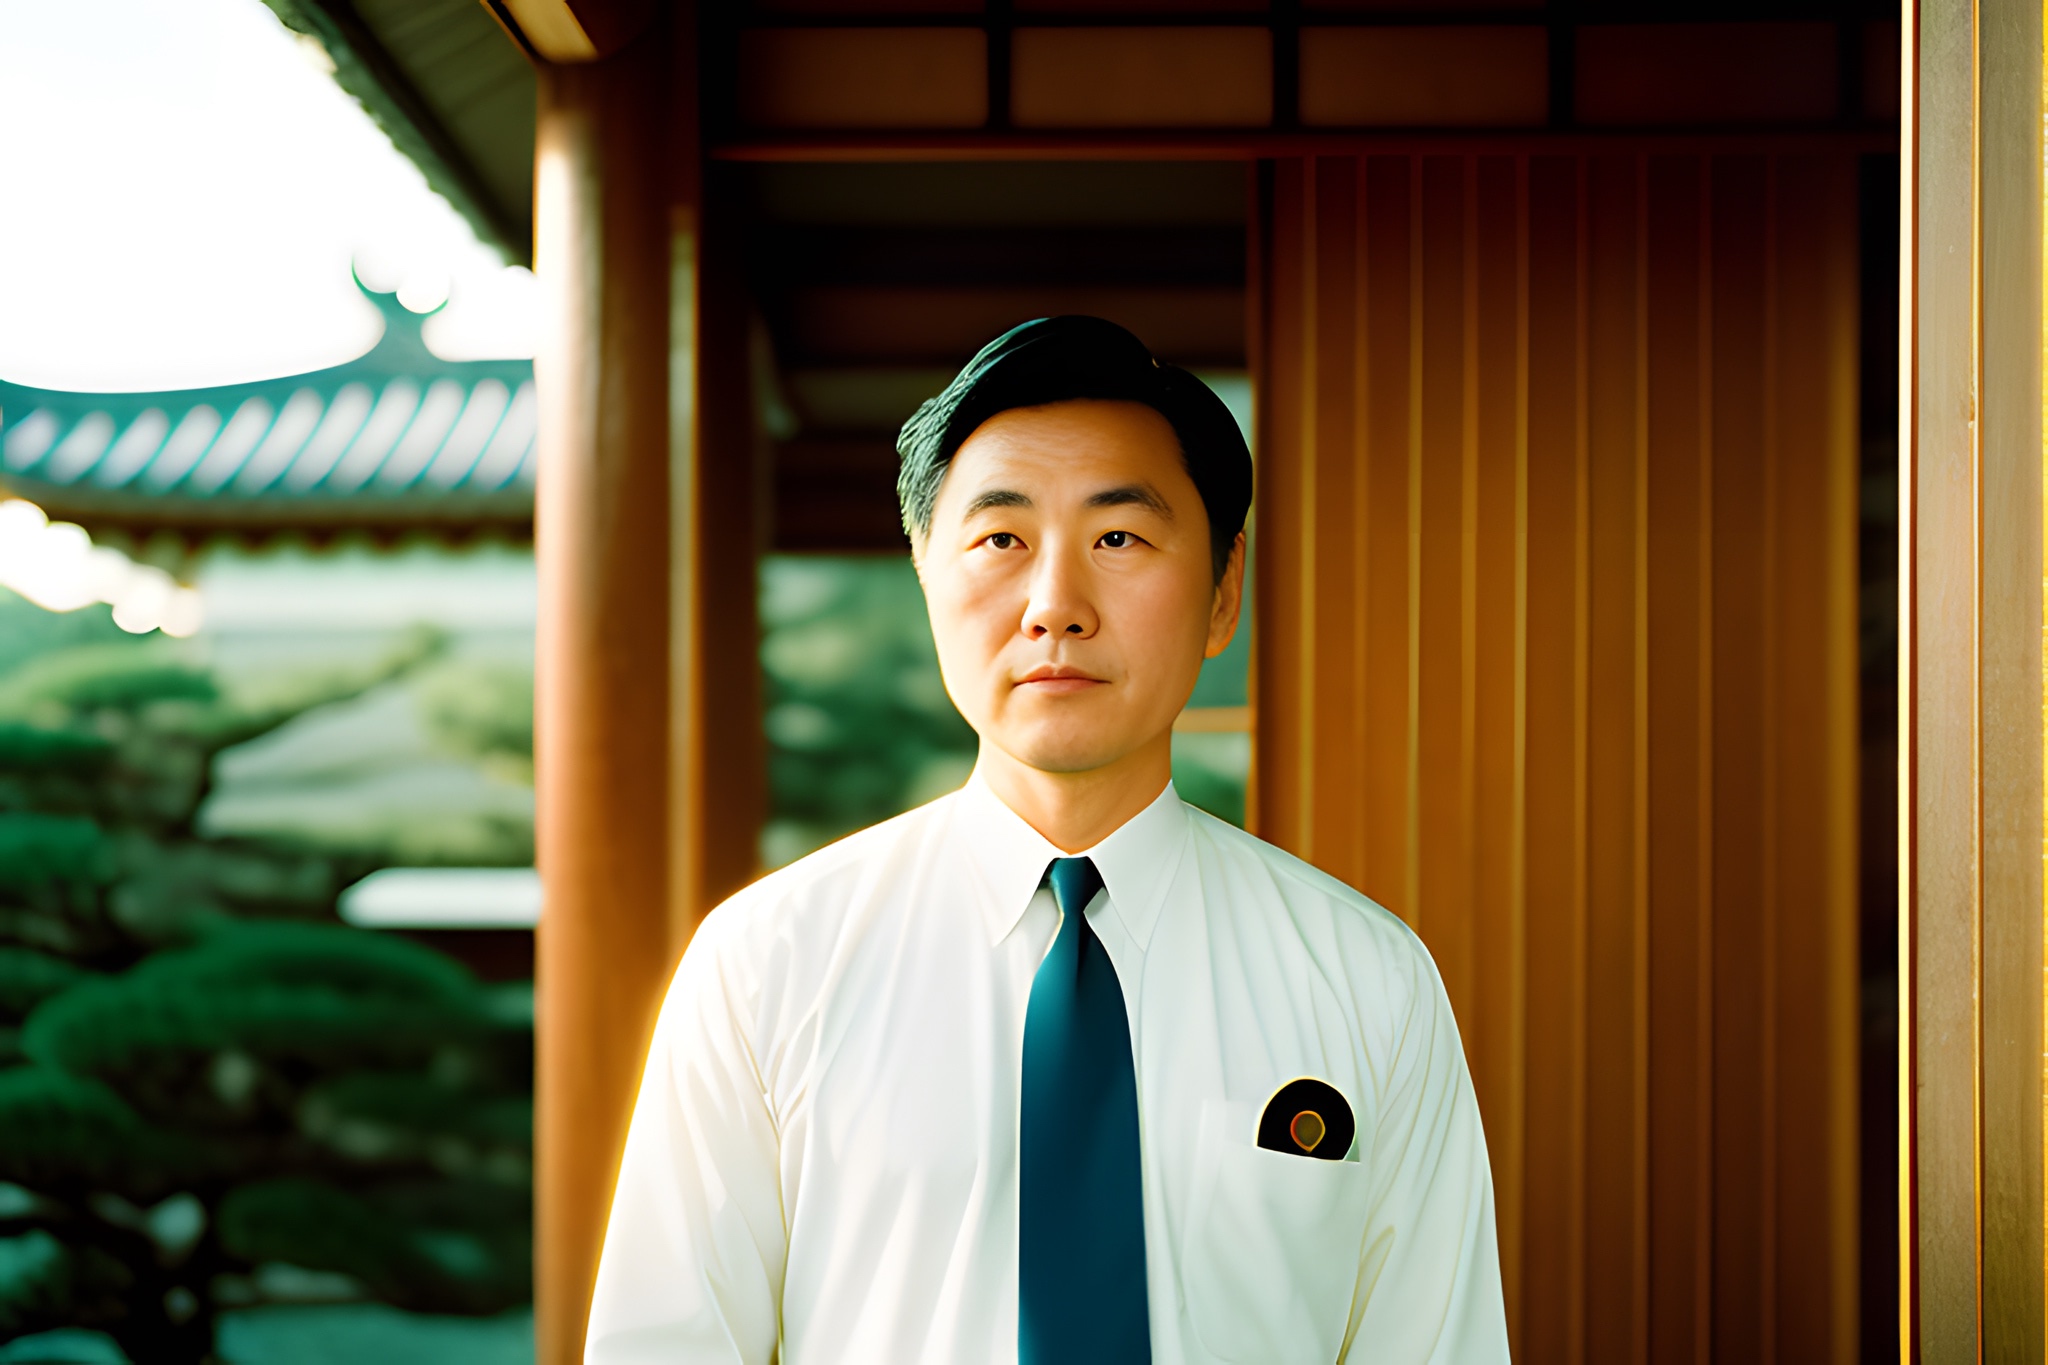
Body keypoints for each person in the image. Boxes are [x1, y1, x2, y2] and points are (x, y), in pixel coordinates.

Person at [584, 316, 1509, 1364]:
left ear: (1222, 590)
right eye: (999, 540)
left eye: (1118, 538)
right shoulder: (765, 963)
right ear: (926, 574)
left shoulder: (1365, 979)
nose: (1054, 606)